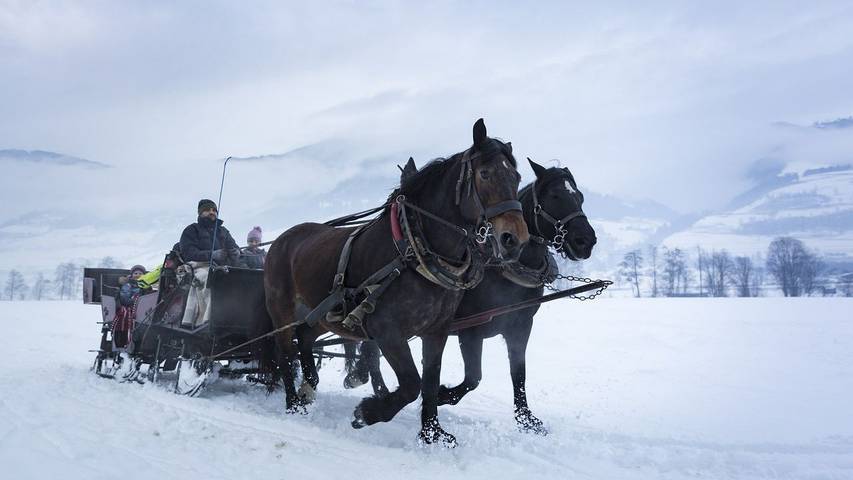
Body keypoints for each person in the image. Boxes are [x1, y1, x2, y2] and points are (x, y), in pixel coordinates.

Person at [178, 199, 240, 329]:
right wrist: (211, 254)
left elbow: (234, 247)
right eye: (207, 210)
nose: (212, 212)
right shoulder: (191, 230)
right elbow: (188, 253)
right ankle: (207, 320)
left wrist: (236, 252)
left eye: (214, 210)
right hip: (199, 266)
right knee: (210, 279)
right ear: (200, 213)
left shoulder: (223, 231)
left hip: (224, 267)